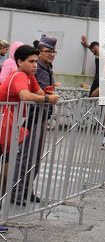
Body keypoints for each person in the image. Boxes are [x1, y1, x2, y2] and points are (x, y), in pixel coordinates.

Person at [0, 44, 59, 207]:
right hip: (4, 125)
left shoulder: (28, 76)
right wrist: (48, 99)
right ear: (19, 62)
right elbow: (25, 95)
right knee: (5, 174)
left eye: (35, 61)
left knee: (6, 174)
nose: (35, 65)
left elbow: (39, 92)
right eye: (31, 61)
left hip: (10, 127)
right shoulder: (19, 75)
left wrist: (48, 94)